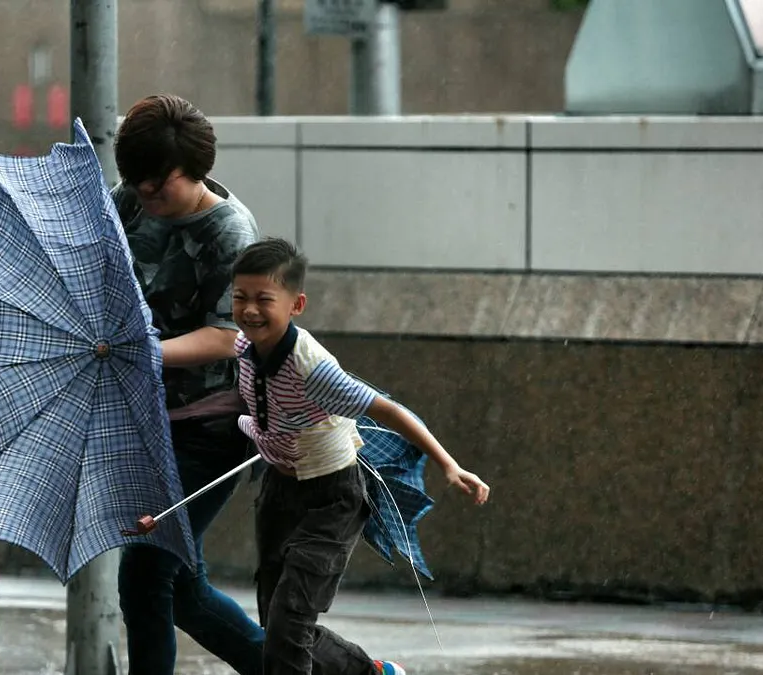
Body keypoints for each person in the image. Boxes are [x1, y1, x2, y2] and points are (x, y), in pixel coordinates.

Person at [230, 238, 492, 675]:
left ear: (297, 305)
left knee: (290, 618)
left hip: (330, 497)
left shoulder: (313, 369)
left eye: (263, 300)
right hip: (279, 488)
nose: (249, 310)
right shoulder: (244, 348)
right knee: (279, 620)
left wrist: (449, 464)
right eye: (240, 298)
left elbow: (387, 410)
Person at [112, 93, 266, 675]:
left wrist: (144, 351)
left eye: (160, 185)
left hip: (211, 428)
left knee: (148, 571)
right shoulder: (128, 202)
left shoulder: (230, 230)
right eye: (137, 184)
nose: (146, 197)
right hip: (148, 421)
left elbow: (231, 336)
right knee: (184, 591)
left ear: (195, 171)